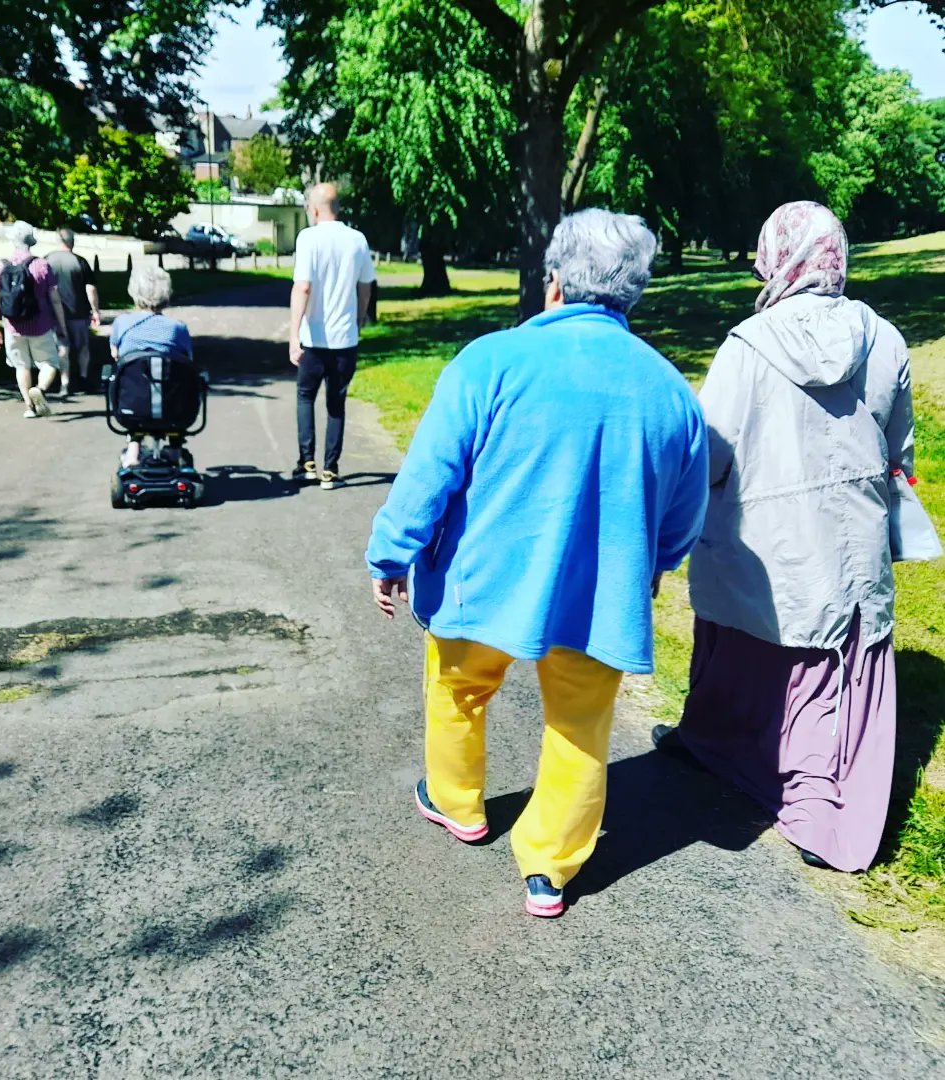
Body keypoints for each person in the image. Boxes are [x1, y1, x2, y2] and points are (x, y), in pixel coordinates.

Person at [365, 209, 709, 918]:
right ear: (633, 294)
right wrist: (657, 564)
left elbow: (431, 472)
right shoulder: (672, 391)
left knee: (456, 690)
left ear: (554, 281)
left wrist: (392, 553)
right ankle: (549, 868)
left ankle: (459, 803)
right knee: (580, 727)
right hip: (601, 594)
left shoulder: (491, 361)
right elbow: (684, 513)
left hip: (483, 581)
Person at [652, 201, 915, 874]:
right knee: (834, 662)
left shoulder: (749, 344)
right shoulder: (883, 338)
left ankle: (733, 754)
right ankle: (828, 810)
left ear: (775, 256)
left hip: (767, 550)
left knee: (754, 640)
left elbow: (709, 455)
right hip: (851, 545)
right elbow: (898, 447)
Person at [289, 182, 376, 490]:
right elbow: (365, 285)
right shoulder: (357, 240)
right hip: (345, 339)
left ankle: (307, 463)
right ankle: (330, 470)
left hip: (313, 337)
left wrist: (293, 335)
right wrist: (359, 317)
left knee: (305, 396)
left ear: (313, 210)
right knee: (336, 403)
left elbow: (303, 286)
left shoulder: (308, 238)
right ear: (338, 208)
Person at [110, 264, 194, 468]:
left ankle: (133, 450)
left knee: (132, 383)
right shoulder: (177, 328)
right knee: (180, 384)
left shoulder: (122, 323)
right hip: (173, 406)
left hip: (133, 403)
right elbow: (188, 359)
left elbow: (115, 355)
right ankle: (174, 448)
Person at [0, 221, 68, 418]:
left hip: (13, 325)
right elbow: (55, 300)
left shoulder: (2, 265)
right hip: (40, 324)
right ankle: (39, 389)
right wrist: (62, 326)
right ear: (31, 241)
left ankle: (29, 407)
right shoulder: (41, 265)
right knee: (50, 363)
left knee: (21, 366)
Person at [46, 227, 101, 396]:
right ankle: (83, 378)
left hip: (54, 314)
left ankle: (64, 383)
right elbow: (90, 289)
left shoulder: (47, 260)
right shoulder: (80, 262)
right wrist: (95, 311)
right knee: (83, 347)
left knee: (62, 348)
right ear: (72, 241)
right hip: (79, 312)